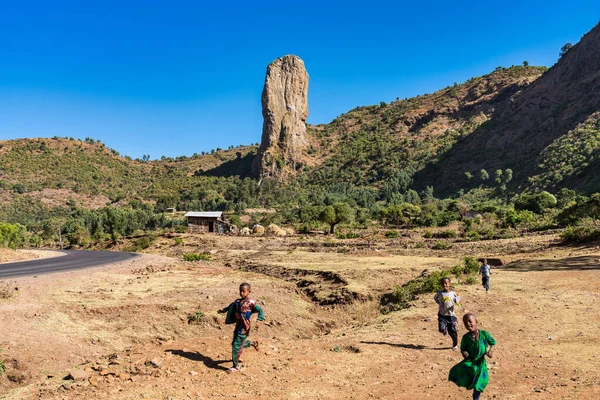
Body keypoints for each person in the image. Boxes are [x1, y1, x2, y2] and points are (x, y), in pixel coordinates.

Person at [218, 282, 264, 373]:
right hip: (238, 326)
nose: (241, 293)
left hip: (244, 327)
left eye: (243, 291)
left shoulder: (251, 303)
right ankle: (251, 343)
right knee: (235, 344)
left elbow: (260, 310)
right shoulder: (237, 302)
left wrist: (259, 320)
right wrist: (223, 310)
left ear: (249, 292)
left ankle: (235, 366)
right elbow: (231, 306)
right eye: (240, 291)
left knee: (235, 346)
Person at [449, 313, 496, 400]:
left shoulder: (484, 334)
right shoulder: (466, 337)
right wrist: (464, 352)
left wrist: (490, 351)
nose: (468, 324)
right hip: (471, 362)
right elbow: (462, 348)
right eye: (465, 323)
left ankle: (476, 397)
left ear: (476, 321)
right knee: (468, 376)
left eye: (470, 321)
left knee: (481, 382)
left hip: (481, 363)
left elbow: (493, 343)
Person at [433, 277, 461, 350]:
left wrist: (457, 301)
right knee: (441, 329)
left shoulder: (453, 293)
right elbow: (435, 298)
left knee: (452, 332)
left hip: (451, 316)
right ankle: (444, 330)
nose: (444, 285)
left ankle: (455, 344)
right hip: (442, 315)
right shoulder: (440, 293)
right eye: (442, 283)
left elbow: (458, 301)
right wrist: (439, 303)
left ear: (449, 283)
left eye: (446, 283)